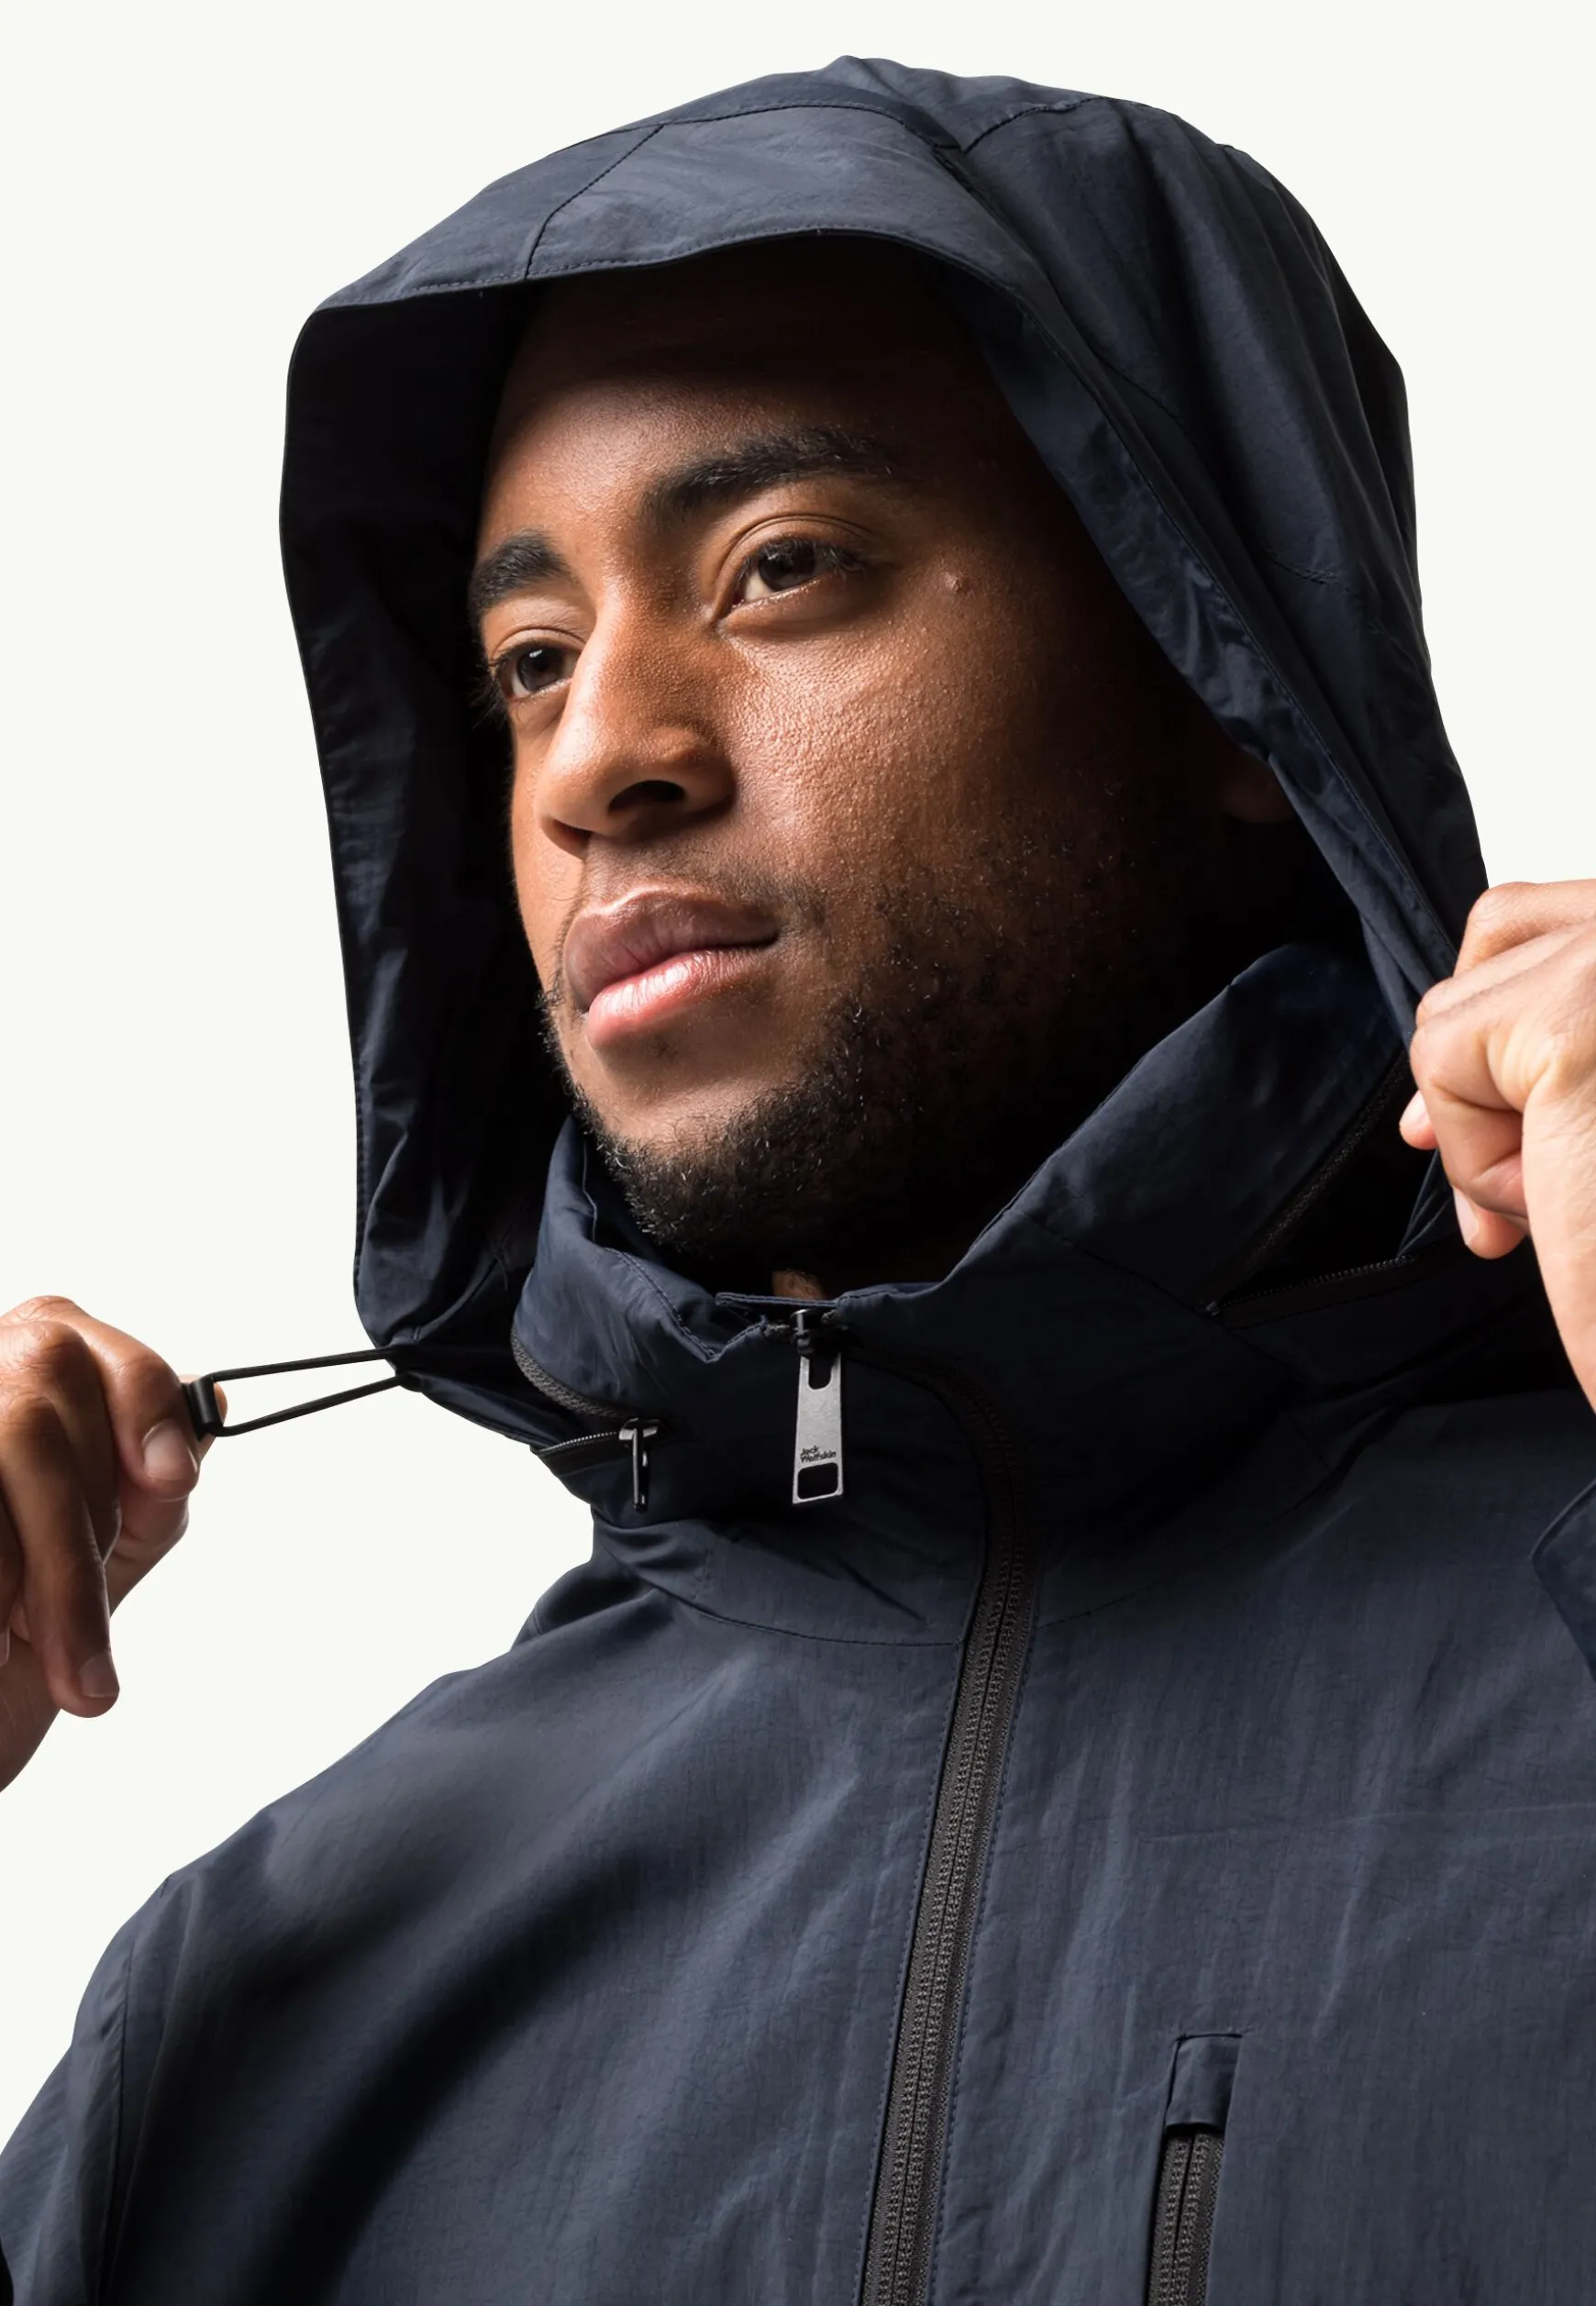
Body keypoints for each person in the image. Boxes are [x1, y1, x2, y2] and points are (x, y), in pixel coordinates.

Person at [3, 54, 1596, 2302]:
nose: (596, 760)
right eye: (526, 663)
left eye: (781, 571)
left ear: (1221, 672)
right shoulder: (276, 1998)